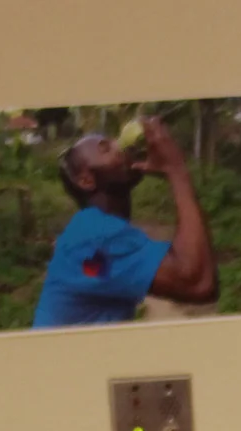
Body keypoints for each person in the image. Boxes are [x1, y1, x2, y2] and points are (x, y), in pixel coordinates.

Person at [33, 117, 217, 330]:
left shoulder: (92, 228)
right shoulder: (97, 235)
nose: (118, 145)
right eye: (105, 148)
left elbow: (194, 274)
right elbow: (198, 283)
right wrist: (176, 169)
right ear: (86, 180)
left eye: (112, 140)